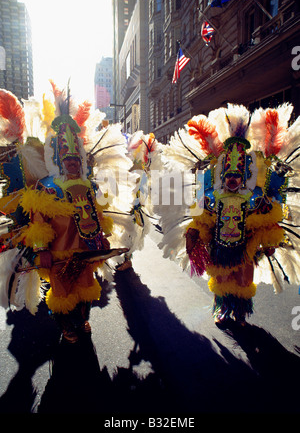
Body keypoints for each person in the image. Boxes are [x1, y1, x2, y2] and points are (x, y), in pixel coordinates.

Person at [0, 84, 131, 342]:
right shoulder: (46, 187)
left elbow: (95, 215)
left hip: (86, 249)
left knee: (86, 288)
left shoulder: (88, 186)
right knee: (61, 293)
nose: (72, 161)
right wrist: (42, 250)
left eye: (76, 157)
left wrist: (102, 239)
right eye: (67, 157)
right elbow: (39, 223)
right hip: (59, 253)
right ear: (58, 158)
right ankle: (66, 326)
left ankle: (82, 320)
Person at [158, 103, 300, 326]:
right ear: (222, 174)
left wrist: (268, 241)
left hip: (245, 249)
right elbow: (204, 221)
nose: (232, 179)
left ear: (244, 175)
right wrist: (194, 233)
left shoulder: (254, 198)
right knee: (221, 278)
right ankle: (222, 309)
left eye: (237, 174)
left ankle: (241, 312)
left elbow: (265, 223)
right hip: (219, 247)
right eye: (229, 175)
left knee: (243, 280)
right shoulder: (212, 197)